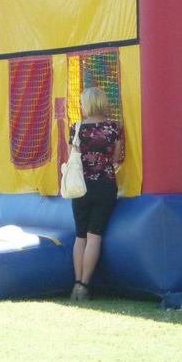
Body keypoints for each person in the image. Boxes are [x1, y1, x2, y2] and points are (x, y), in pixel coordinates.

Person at [68, 87, 122, 301]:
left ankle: (75, 284)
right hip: (105, 185)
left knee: (80, 236)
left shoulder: (77, 128)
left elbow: (72, 157)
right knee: (94, 236)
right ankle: (85, 286)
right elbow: (117, 157)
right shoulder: (113, 128)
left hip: (80, 187)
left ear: (86, 105)